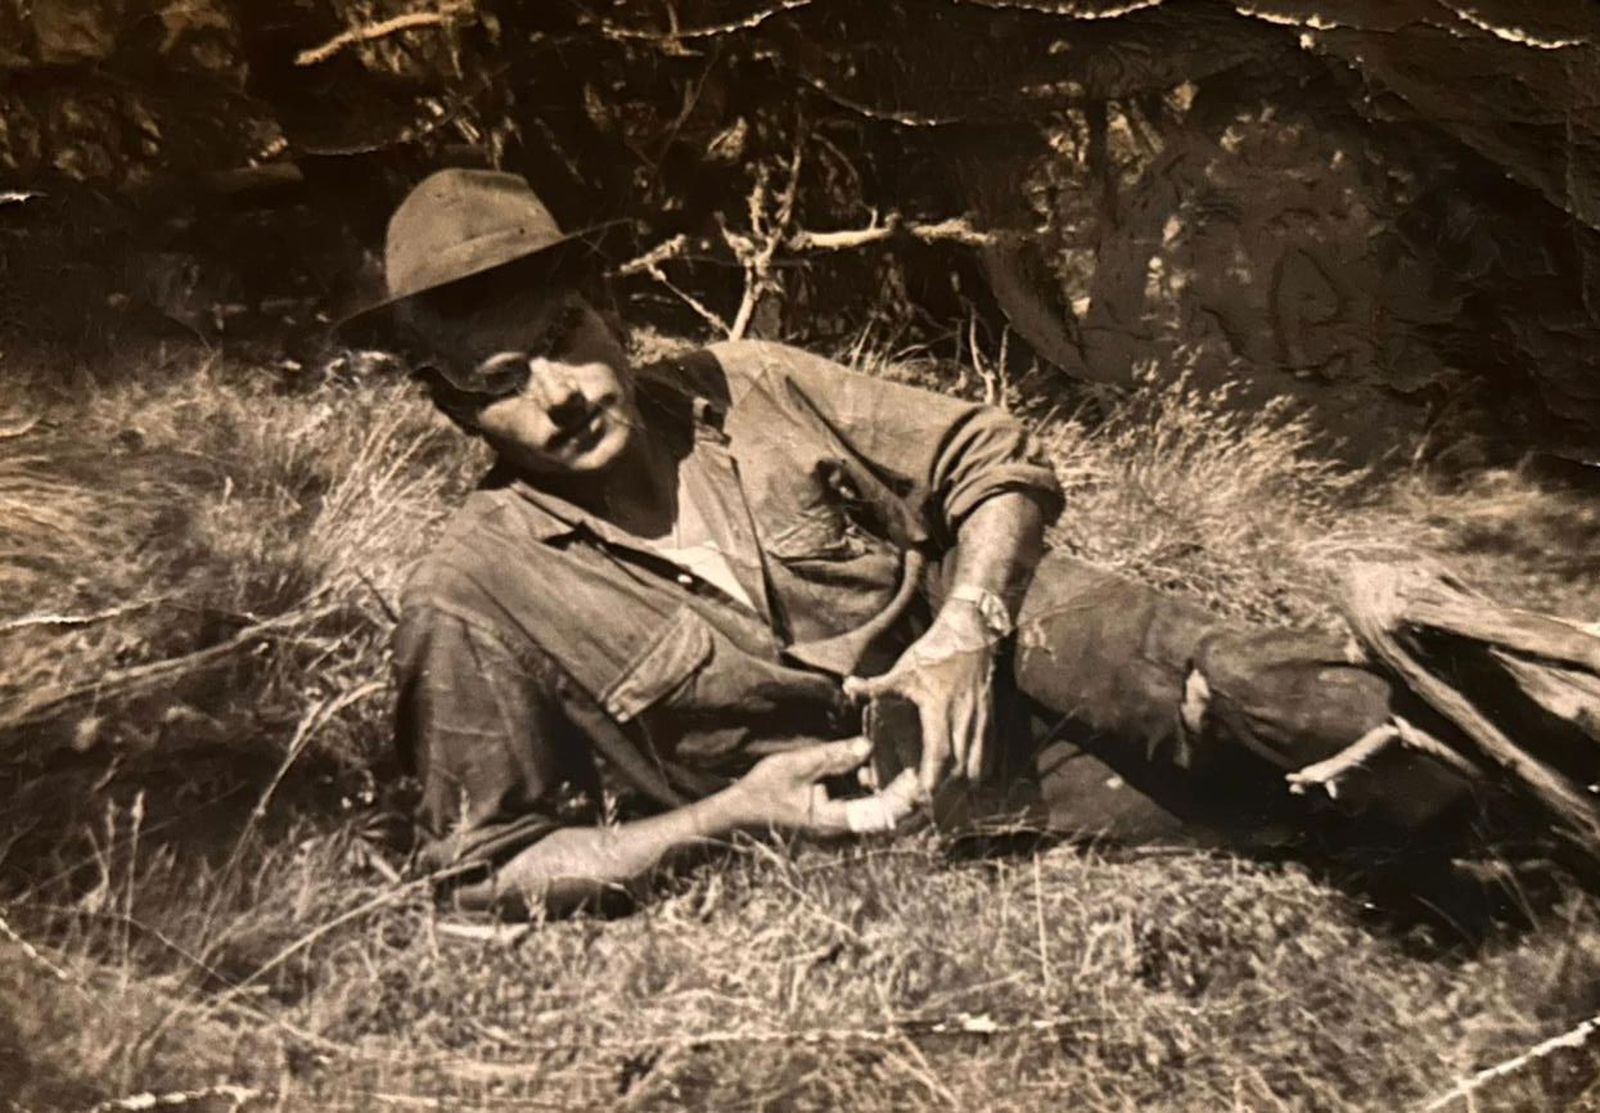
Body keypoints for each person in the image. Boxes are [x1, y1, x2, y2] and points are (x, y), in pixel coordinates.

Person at [341, 169, 1476, 917]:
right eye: (500, 381)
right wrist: (726, 817)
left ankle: (1531, 730)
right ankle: (1488, 835)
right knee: (1280, 823)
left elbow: (993, 456)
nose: (559, 395)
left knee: (1255, 689)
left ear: (609, 317)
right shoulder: (471, 594)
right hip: (918, 805)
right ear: (452, 408)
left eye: (562, 338)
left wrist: (970, 624)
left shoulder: (752, 384)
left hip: (1013, 632)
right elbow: (487, 869)